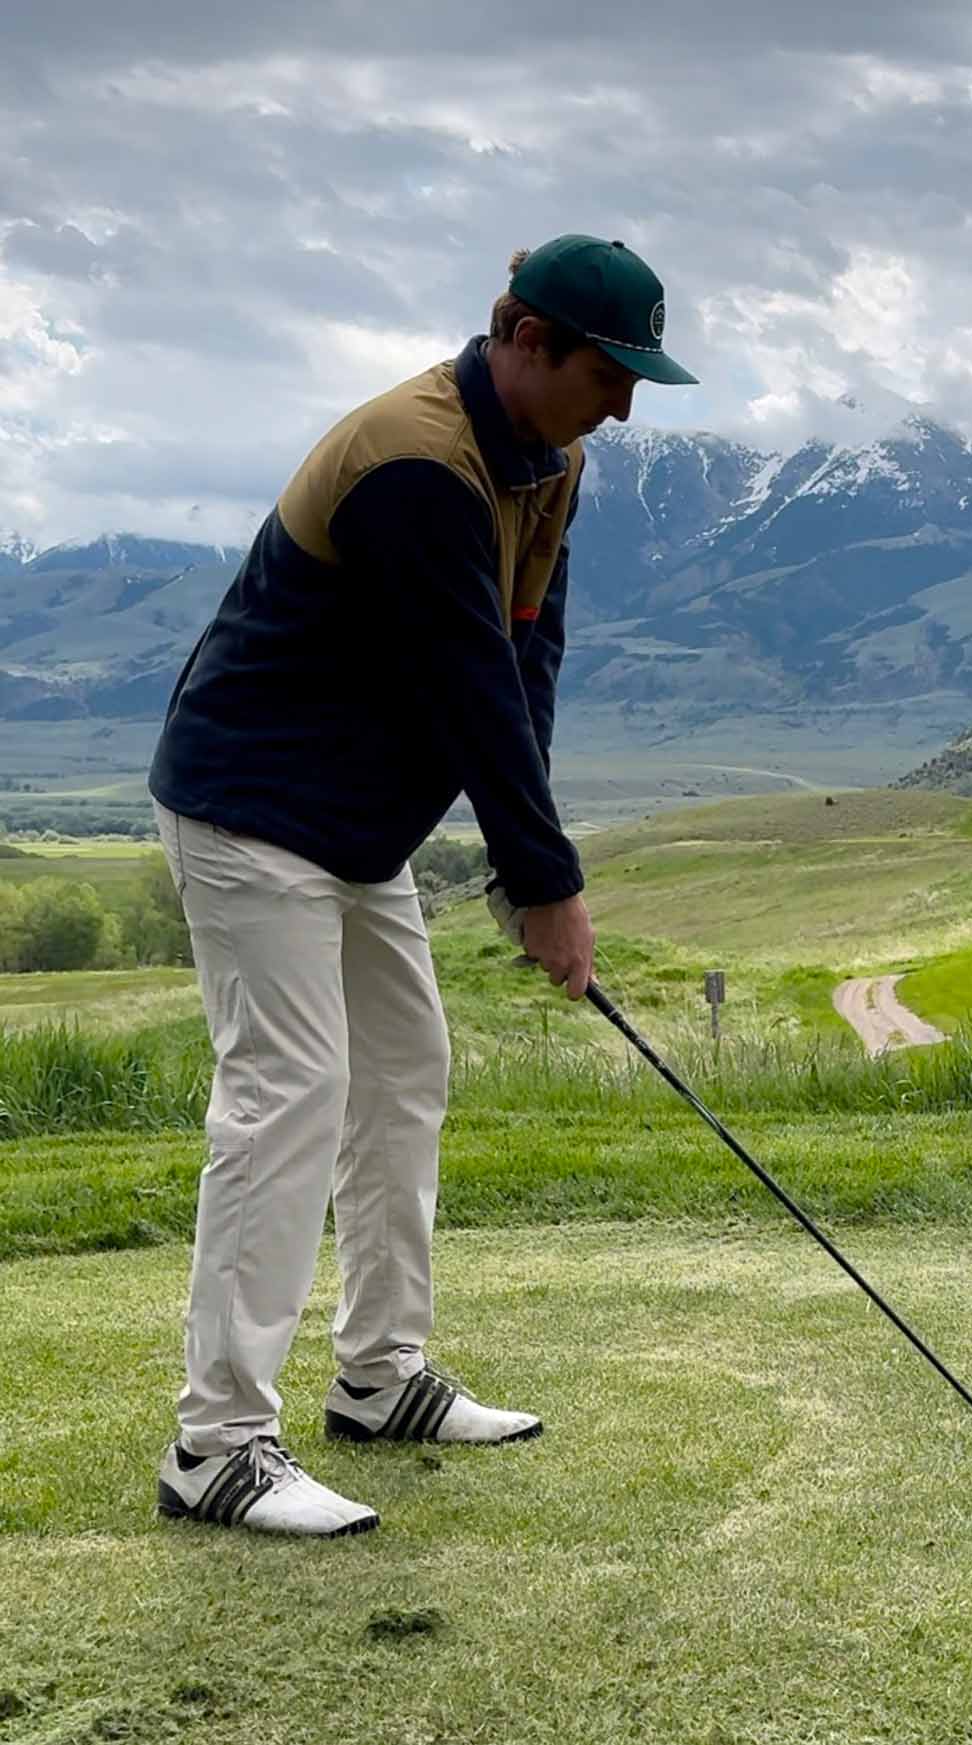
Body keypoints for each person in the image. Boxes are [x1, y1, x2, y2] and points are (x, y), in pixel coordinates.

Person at [146, 235, 699, 1536]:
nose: (621, 408)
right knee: (290, 1088)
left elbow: (526, 668)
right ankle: (215, 1447)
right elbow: (464, 687)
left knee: (403, 1069)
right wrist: (547, 884)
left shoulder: (546, 465)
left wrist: (530, 870)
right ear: (525, 339)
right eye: (607, 374)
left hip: (354, 826)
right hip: (250, 804)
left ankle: (380, 1376)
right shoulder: (417, 461)